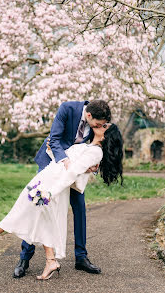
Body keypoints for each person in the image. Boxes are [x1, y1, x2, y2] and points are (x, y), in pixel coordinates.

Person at [0, 122, 123, 280]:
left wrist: (51, 192)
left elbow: (72, 173)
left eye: (105, 126)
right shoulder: (88, 146)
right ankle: (50, 261)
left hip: (52, 185)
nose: (101, 123)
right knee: (39, 219)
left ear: (105, 136)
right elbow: (64, 162)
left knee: (22, 211)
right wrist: (51, 150)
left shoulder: (96, 152)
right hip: (47, 178)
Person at [14, 99, 112, 278]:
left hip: (74, 171)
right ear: (88, 115)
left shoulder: (97, 123)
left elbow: (96, 146)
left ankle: (81, 258)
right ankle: (24, 258)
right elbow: (55, 138)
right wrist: (65, 161)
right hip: (54, 162)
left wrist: (93, 166)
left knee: (79, 208)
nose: (100, 127)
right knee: (38, 205)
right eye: (98, 124)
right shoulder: (68, 109)